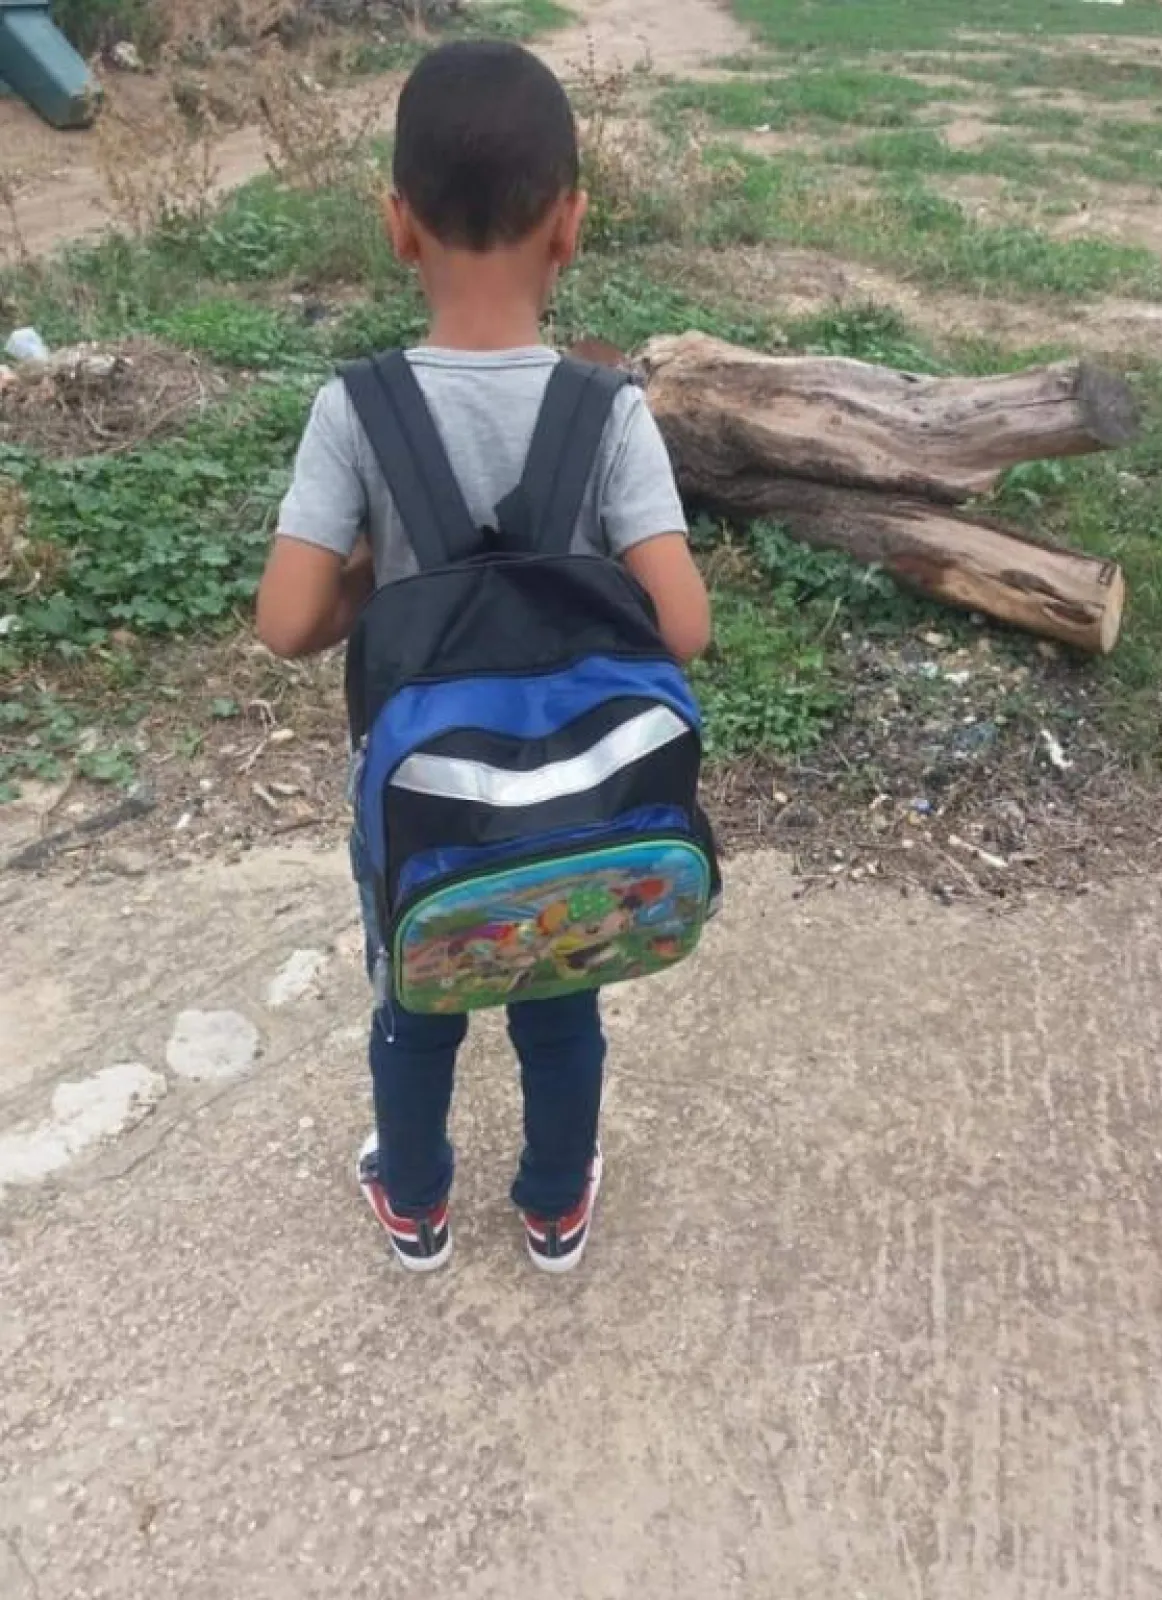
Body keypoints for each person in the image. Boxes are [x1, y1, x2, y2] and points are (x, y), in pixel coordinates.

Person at [256, 40, 711, 1274]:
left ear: (396, 225)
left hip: (424, 809)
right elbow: (683, 628)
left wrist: (391, 574)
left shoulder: (357, 410)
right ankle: (555, 1203)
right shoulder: (608, 411)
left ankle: (415, 1201)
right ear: (572, 223)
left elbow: (287, 622)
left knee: (416, 994)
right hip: (575, 799)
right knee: (560, 998)